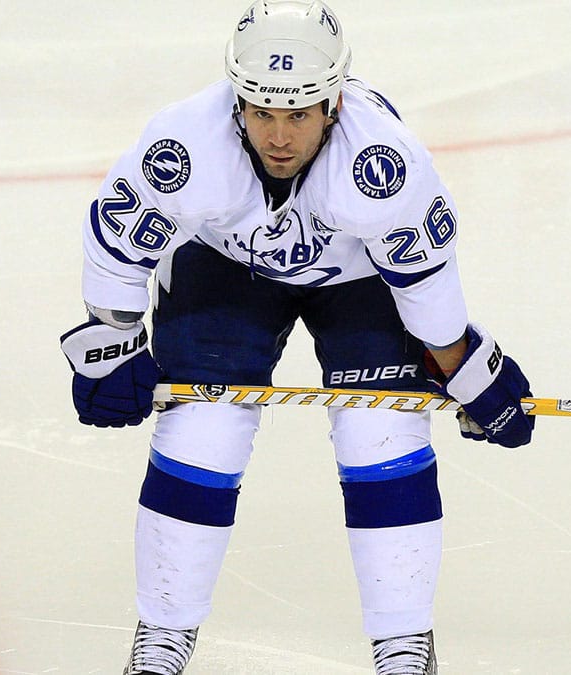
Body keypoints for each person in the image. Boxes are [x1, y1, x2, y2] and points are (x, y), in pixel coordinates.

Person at [58, 1, 534, 673]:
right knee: (204, 429)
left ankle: (403, 642)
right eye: (261, 112)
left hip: (360, 276)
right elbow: (116, 246)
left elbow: (427, 285)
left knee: (382, 431)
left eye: (299, 114)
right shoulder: (184, 144)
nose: (279, 136)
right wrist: (113, 342)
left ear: (334, 104)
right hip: (227, 264)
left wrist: (468, 371)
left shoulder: (382, 161)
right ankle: (163, 633)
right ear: (237, 103)